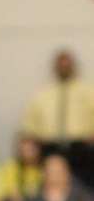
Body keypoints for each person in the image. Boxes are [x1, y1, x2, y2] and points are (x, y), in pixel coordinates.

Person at [21, 49, 94, 186]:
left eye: (67, 64)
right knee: (51, 186)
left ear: (73, 66)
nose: (64, 67)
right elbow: (29, 128)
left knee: (84, 187)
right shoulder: (42, 94)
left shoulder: (89, 92)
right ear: (55, 67)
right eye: (61, 65)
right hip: (50, 148)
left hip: (81, 149)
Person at [1, 133, 43, 201]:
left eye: (30, 150)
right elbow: (12, 195)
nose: (26, 153)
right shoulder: (12, 168)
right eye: (23, 150)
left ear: (38, 149)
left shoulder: (44, 168)